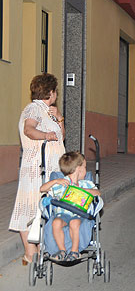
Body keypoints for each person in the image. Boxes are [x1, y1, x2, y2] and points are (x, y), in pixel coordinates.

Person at [9, 73, 66, 265]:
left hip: (51, 169)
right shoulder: (33, 108)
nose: (56, 94)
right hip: (36, 167)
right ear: (51, 92)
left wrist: (60, 118)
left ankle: (41, 248)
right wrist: (46, 135)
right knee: (29, 207)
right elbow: (29, 130)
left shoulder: (48, 111)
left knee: (45, 207)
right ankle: (30, 252)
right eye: (55, 91)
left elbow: (61, 137)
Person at [39, 152, 100, 262]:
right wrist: (55, 181)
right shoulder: (61, 184)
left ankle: (74, 251)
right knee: (56, 222)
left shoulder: (86, 184)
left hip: (79, 214)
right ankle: (62, 250)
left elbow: (98, 193)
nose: (86, 171)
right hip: (62, 214)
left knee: (74, 223)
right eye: (85, 167)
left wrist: (86, 191)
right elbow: (42, 189)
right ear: (79, 169)